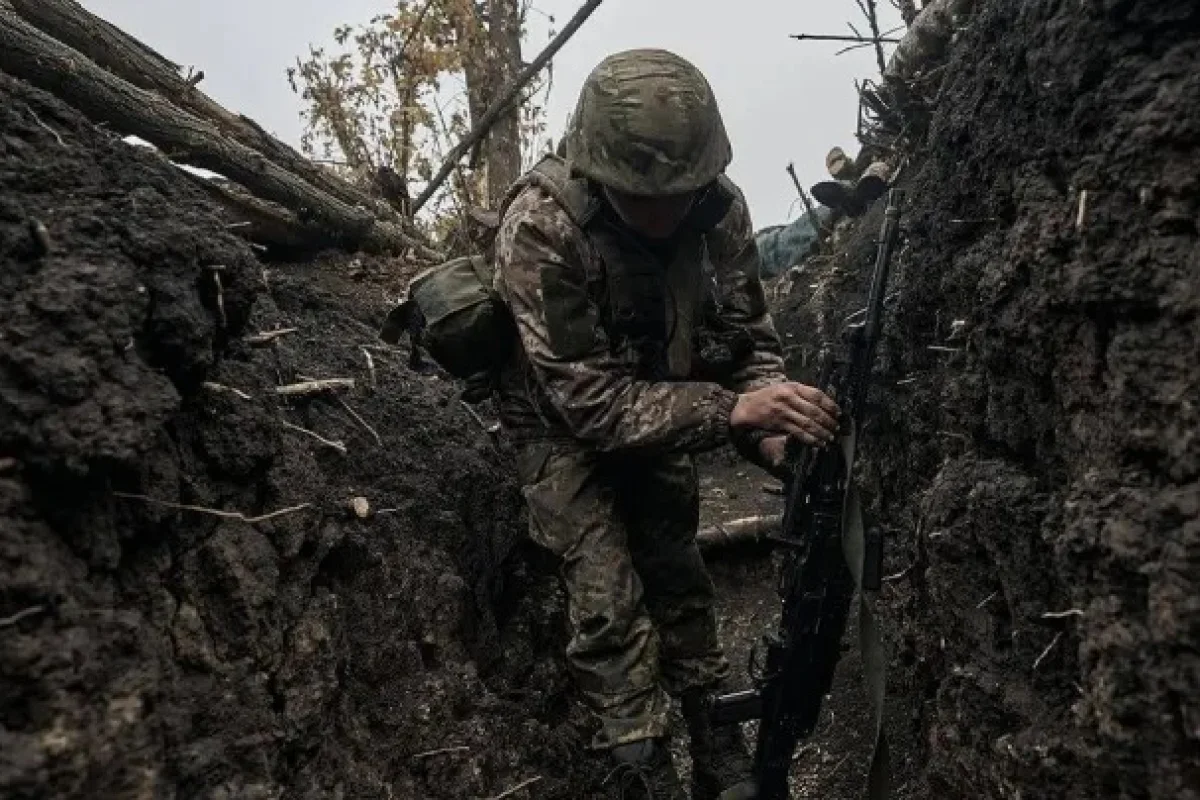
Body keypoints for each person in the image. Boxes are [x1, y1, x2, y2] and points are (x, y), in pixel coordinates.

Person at [492, 48, 840, 799]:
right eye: (645, 196)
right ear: (599, 173)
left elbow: (749, 344)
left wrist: (769, 428)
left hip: (662, 402)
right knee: (607, 605)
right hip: (561, 425)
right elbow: (588, 405)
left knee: (681, 582)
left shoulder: (719, 210)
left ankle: (721, 755)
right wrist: (728, 410)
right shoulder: (541, 228)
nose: (669, 211)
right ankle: (644, 772)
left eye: (683, 190)